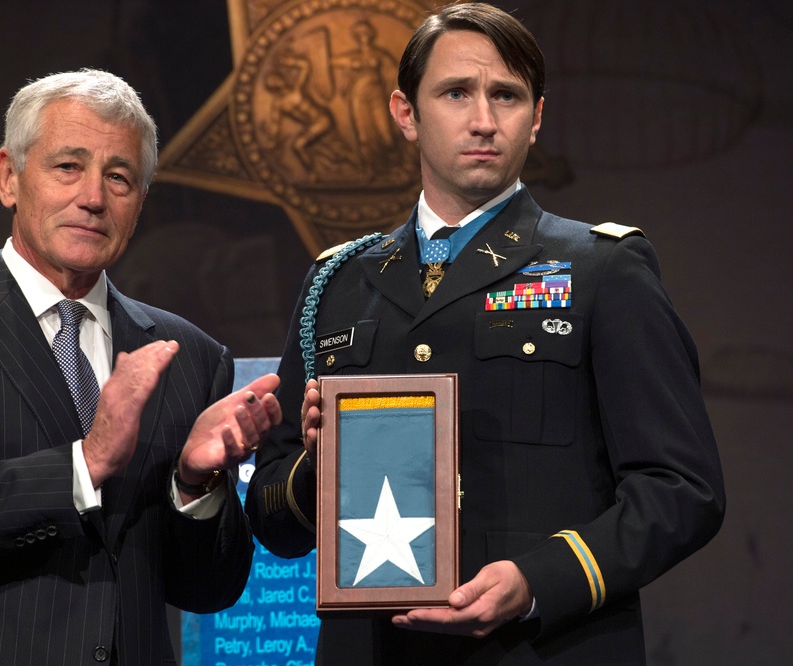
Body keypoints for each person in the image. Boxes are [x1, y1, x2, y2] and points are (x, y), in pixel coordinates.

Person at [245, 3, 725, 664]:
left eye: (506, 95)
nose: (483, 120)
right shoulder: (336, 283)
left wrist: (537, 581)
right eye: (456, 93)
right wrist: (319, 469)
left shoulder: (603, 269)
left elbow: (682, 490)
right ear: (406, 113)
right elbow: (274, 517)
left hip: (538, 647)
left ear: (537, 116)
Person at [0, 68, 281, 666]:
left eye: (119, 177)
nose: (93, 197)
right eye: (68, 166)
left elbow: (209, 591)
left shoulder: (191, 356)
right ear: (9, 177)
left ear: (140, 202)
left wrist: (193, 485)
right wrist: (85, 464)